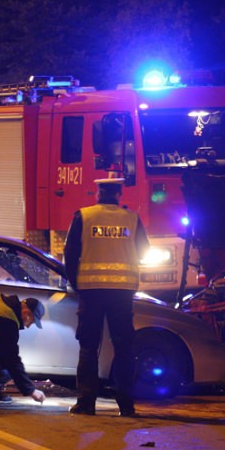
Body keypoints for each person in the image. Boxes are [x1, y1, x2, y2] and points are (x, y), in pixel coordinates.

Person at [63, 175, 150, 417]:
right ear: (119, 194)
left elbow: (70, 254)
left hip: (90, 293)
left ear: (98, 193)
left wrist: (76, 283)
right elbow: (144, 251)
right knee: (123, 347)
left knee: (89, 347)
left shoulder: (84, 216)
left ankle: (86, 403)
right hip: (122, 294)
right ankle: (126, 404)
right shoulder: (131, 218)